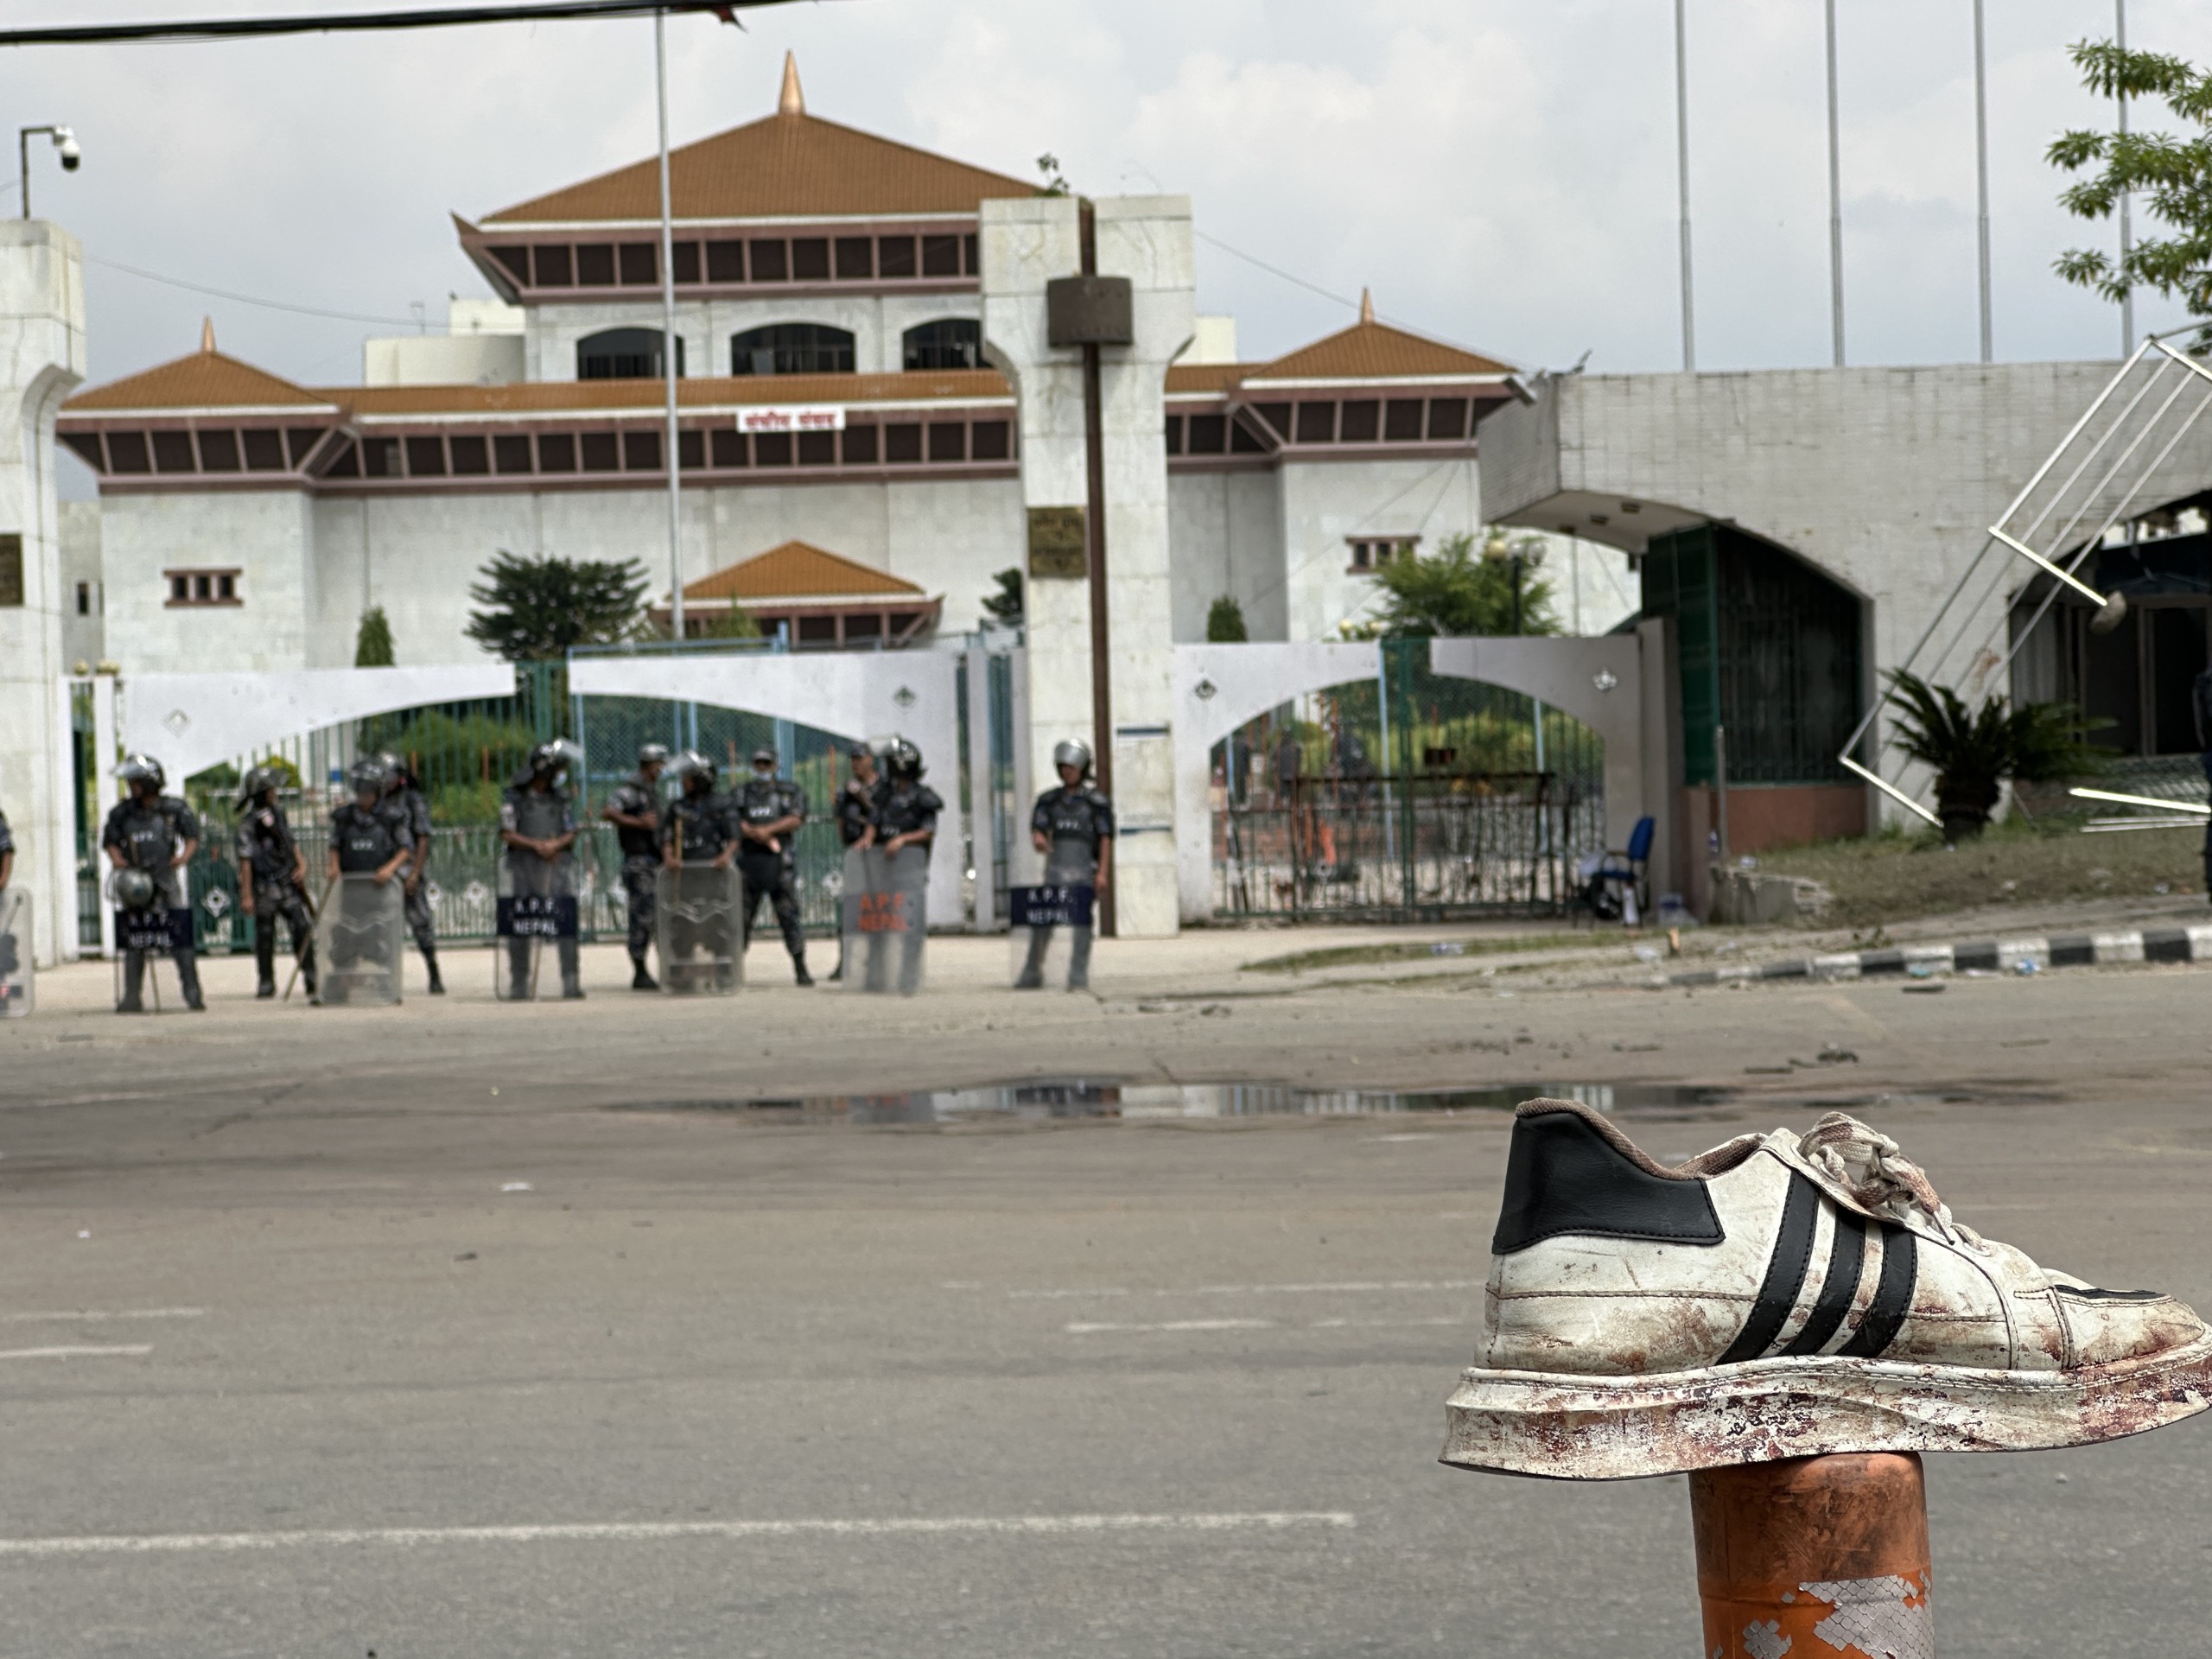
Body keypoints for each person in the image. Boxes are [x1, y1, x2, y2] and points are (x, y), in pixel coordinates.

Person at [102, 753, 205, 1013]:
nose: (131, 786)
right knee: (135, 940)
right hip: (135, 883)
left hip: (166, 881)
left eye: (135, 781)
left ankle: (192, 993)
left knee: (180, 937)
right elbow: (110, 841)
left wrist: (183, 857)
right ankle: (131, 997)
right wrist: (118, 860)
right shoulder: (122, 813)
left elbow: (193, 835)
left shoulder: (174, 808)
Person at [1015, 738, 1114, 992]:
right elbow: (1038, 828)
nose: (1066, 772)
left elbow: (1105, 838)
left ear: (1082, 768)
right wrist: (1038, 838)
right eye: (1062, 767)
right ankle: (1032, 971)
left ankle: (1078, 975)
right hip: (1056, 871)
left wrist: (1102, 872)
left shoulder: (1096, 803)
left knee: (1082, 927)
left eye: (1071, 767)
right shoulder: (1049, 801)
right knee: (1043, 923)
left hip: (1084, 871)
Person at [500, 740, 584, 1000]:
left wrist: (555, 845)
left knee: (565, 926)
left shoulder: (561, 799)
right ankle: (518, 981)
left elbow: (571, 831)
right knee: (520, 927)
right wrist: (536, 846)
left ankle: (570, 980)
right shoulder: (514, 798)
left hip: (557, 869)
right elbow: (507, 833)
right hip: (523, 870)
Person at [324, 758, 412, 1000]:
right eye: (360, 792)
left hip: (380, 892)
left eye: (368, 792)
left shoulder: (392, 817)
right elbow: (334, 845)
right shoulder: (345, 818)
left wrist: (389, 869)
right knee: (345, 939)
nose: (363, 797)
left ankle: (388, 987)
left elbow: (406, 849)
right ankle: (339, 988)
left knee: (383, 940)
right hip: (351, 892)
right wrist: (333, 867)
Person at [860, 736, 940, 994]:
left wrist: (903, 839)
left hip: (910, 871)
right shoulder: (884, 793)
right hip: (882, 869)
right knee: (878, 923)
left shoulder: (923, 798)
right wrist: (869, 837)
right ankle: (876, 977)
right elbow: (874, 819)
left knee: (909, 928)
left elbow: (928, 831)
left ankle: (908, 978)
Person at [658, 750, 740, 991]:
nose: (683, 782)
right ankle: (682, 975)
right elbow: (667, 837)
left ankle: (724, 973)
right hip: (684, 875)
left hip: (712, 874)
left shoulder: (722, 804)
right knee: (682, 924)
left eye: (688, 777)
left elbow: (734, 837)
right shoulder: (677, 807)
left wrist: (725, 857)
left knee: (716, 922)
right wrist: (669, 857)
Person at [234, 765, 316, 999]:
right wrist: (247, 894)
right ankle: (266, 981)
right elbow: (245, 861)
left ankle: (311, 975)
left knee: (301, 927)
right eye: (270, 789)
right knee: (265, 933)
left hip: (287, 881)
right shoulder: (248, 824)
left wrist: (301, 865)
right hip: (264, 885)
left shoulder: (278, 814)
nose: (274, 793)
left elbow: (290, 843)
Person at [734, 743, 812, 986]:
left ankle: (800, 967)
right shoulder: (742, 793)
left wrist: (768, 830)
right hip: (748, 863)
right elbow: (731, 818)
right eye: (758, 763)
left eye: (766, 763)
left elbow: (795, 818)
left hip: (780, 864)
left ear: (776, 766)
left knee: (788, 916)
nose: (762, 768)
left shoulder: (788, 792)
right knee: (741, 920)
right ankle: (734, 969)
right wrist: (753, 832)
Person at [602, 742, 670, 990]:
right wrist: (637, 822)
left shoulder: (651, 791)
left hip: (655, 861)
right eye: (659, 765)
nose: (661, 770)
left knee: (660, 915)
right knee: (642, 915)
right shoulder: (630, 790)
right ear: (650, 765)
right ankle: (639, 970)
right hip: (638, 861)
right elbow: (608, 812)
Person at [378, 753, 444, 995]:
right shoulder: (378, 801)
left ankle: (433, 972)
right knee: (381, 926)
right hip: (383, 872)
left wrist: (416, 872)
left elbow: (423, 838)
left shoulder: (412, 800)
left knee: (420, 924)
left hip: (407, 871)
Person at [828, 741, 880, 982]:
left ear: (871, 759)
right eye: (853, 759)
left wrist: (861, 797)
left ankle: (878, 963)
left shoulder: (882, 789)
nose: (857, 763)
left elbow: (881, 815)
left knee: (879, 909)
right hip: (855, 855)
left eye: (861, 758)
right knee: (852, 910)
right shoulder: (844, 792)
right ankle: (845, 963)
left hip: (879, 857)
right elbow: (840, 820)